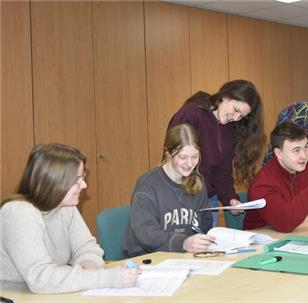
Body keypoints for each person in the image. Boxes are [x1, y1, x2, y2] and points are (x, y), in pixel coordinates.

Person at [0, 143, 140, 294]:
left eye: (83, 177)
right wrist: (107, 278)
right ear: (54, 181)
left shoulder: (65, 206)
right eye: (77, 179)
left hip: (52, 294)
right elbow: (41, 278)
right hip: (14, 295)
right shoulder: (18, 212)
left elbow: (88, 248)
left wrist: (89, 265)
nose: (84, 185)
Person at [167, 80, 265, 225]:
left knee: (208, 246)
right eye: (236, 110)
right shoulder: (191, 114)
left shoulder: (230, 130)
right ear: (225, 96)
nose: (236, 118)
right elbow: (174, 159)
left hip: (208, 200)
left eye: (242, 117)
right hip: (182, 198)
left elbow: (222, 172)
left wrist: (230, 198)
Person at [122, 124, 214, 258]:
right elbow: (147, 234)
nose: (190, 163)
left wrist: (200, 242)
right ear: (168, 154)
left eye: (195, 156)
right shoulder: (148, 185)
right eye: (183, 157)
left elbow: (205, 223)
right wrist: (183, 243)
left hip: (184, 257)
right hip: (146, 258)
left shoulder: (197, 183)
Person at [244, 122, 308, 232]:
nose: (304, 155)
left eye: (305, 147)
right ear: (279, 153)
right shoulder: (262, 183)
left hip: (297, 236)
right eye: (296, 150)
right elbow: (285, 223)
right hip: (262, 243)